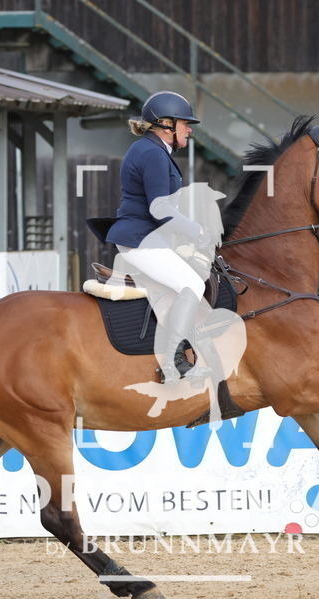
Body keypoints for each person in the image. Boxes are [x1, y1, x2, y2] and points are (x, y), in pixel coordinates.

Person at [105, 91, 213, 383]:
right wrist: (196, 231)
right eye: (185, 124)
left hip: (148, 238)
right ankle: (173, 362)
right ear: (167, 124)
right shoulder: (152, 153)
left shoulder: (151, 150)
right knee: (193, 284)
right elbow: (159, 208)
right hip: (141, 240)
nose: (189, 130)